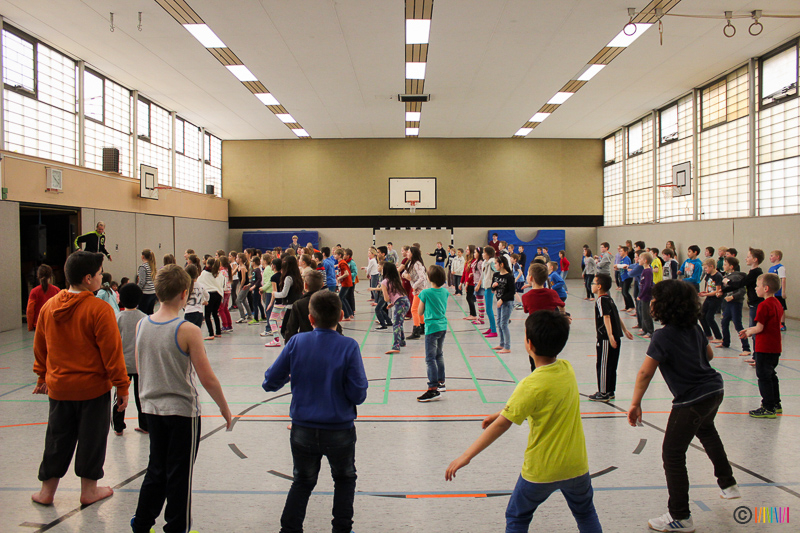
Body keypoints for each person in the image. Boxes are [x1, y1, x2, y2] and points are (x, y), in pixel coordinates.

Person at [445, 310, 602, 533]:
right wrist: (501, 413)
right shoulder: (567, 369)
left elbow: (503, 424)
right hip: (577, 466)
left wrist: (466, 455)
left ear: (529, 343)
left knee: (517, 516)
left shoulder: (530, 385)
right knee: (585, 513)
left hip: (541, 470)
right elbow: (534, 403)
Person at [628, 280, 739, 533]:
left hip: (692, 400)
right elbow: (709, 355)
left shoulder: (662, 336)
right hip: (714, 390)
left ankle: (680, 516)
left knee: (673, 453)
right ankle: (728, 484)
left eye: (655, 299)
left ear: (664, 305)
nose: (651, 302)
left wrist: (635, 403)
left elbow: (645, 372)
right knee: (707, 431)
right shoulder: (695, 327)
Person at [131, 265, 231, 533]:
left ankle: (141, 523)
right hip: (182, 413)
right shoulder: (188, 330)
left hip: (152, 409)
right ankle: (177, 527)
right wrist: (224, 408)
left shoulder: (142, 324)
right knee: (180, 474)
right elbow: (207, 378)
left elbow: (140, 367)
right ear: (184, 294)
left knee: (156, 469)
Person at [263, 290, 368, 533]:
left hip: (303, 429)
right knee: (344, 479)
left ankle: (289, 529)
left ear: (310, 319)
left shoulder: (297, 342)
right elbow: (359, 394)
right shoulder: (349, 346)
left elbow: (270, 381)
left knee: (302, 481)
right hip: (339, 429)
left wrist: (292, 374)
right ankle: (341, 528)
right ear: (340, 316)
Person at [31, 251, 128, 506]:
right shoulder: (99, 309)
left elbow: (40, 347)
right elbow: (112, 353)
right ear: (87, 278)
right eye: (99, 274)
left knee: (57, 439)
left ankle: (46, 492)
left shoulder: (49, 307)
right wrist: (122, 387)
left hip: (59, 389)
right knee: (92, 440)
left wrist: (41, 377)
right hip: (93, 390)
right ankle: (89, 491)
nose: (101, 278)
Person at [739, 273, 784, 418]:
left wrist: (748, 332)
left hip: (764, 347)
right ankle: (776, 403)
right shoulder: (777, 303)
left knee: (763, 377)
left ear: (766, 288)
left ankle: (768, 407)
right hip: (775, 347)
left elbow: (759, 328)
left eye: (757, 286)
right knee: (771, 375)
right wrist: (750, 329)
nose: (755, 288)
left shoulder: (763, 305)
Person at [589, 274, 633, 402]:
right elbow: (616, 316)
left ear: (599, 286)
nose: (592, 285)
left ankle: (603, 393)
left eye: (593, 283)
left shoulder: (601, 300)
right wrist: (624, 330)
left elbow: (607, 317)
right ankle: (610, 390)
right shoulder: (609, 299)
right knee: (612, 365)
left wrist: (610, 336)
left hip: (605, 338)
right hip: (616, 336)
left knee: (603, 365)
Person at [112, 283, 148, 436]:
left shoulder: (117, 318)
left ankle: (118, 427)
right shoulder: (145, 318)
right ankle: (145, 425)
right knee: (141, 396)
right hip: (140, 364)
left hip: (123, 364)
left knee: (120, 395)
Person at [721, 248, 764, 359]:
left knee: (753, 330)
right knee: (726, 321)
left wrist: (728, 282)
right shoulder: (752, 272)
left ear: (755, 259)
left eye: (748, 257)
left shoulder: (756, 272)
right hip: (752, 304)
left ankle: (754, 355)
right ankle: (754, 356)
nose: (746, 258)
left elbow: (741, 284)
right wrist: (722, 290)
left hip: (756, 304)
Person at [416, 265, 449, 401]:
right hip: (442, 326)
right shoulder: (445, 291)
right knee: (439, 355)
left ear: (429, 278)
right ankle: (441, 382)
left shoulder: (426, 293)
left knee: (430, 358)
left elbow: (419, 312)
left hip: (431, 328)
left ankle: (432, 389)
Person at [714, 256, 748, 352]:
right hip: (728, 303)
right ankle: (725, 342)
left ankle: (746, 347)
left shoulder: (736, 277)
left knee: (737, 324)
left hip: (735, 303)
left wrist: (733, 297)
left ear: (731, 266)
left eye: (725, 264)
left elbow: (742, 290)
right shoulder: (727, 276)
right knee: (724, 322)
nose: (723, 266)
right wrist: (721, 292)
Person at [404, 246, 428, 340]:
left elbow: (422, 277)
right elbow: (404, 273)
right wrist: (405, 275)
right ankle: (423, 326)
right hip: (417, 289)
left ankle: (416, 329)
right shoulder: (410, 263)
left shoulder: (417, 264)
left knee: (414, 309)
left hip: (420, 289)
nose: (407, 253)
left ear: (413, 254)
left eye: (408, 252)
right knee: (419, 309)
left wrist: (414, 286)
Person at [27, 264, 60, 330]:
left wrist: (30, 326)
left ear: (38, 276)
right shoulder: (57, 290)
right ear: (50, 276)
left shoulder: (34, 291)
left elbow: (30, 310)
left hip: (38, 324)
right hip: (53, 324)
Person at [199, 257, 224, 339]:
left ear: (207, 264)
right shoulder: (219, 273)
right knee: (215, 313)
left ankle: (211, 334)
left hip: (210, 294)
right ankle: (218, 332)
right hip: (218, 294)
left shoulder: (204, 273)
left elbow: (199, 282)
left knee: (207, 315)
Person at [698, 259, 723, 343]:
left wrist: (707, 294)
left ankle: (718, 337)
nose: (705, 270)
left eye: (706, 268)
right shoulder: (708, 275)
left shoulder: (718, 276)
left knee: (709, 317)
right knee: (701, 315)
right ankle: (708, 334)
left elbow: (717, 291)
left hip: (715, 299)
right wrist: (705, 292)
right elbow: (708, 286)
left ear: (712, 266)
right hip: (709, 298)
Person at [183, 264, 208, 328]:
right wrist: (205, 301)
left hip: (189, 311)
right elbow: (207, 295)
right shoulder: (201, 285)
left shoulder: (186, 286)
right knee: (197, 331)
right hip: (200, 312)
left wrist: (184, 306)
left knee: (189, 331)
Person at [480, 246, 498, 338]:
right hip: (486, 286)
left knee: (488, 309)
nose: (482, 254)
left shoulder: (492, 263)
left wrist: (495, 284)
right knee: (488, 308)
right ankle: (491, 328)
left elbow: (498, 272)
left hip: (490, 287)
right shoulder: (485, 262)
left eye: (484, 252)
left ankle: (494, 330)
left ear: (488, 254)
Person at [768, 250, 787, 331]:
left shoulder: (780, 268)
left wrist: (783, 292)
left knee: (781, 308)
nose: (770, 257)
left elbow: (783, 279)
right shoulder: (771, 268)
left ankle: (782, 324)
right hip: (772, 292)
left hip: (778, 292)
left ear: (777, 257)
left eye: (772, 256)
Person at [637, 253, 655, 338]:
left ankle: (650, 331)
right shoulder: (644, 270)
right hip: (643, 295)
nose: (638, 260)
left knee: (646, 314)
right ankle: (644, 329)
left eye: (640, 259)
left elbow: (647, 285)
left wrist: (641, 295)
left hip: (646, 296)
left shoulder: (648, 271)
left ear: (645, 261)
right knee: (642, 312)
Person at [336, 249, 355, 320]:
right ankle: (350, 313)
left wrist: (339, 278)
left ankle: (346, 316)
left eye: (335, 254)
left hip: (346, 283)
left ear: (339, 255)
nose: (334, 256)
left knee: (340, 298)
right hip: (346, 282)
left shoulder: (342, 263)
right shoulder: (341, 262)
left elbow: (346, 273)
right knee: (343, 298)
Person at [137, 249, 158, 314]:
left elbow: (142, 281)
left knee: (142, 312)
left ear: (143, 256)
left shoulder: (143, 267)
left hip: (145, 292)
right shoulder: (152, 266)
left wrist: (137, 290)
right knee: (150, 312)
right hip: (153, 292)